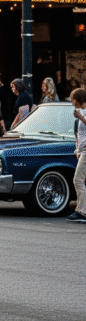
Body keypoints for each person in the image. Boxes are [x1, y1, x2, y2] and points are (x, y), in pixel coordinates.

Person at [68, 87, 86, 223]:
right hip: (83, 151)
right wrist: (77, 150)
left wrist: (81, 117)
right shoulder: (81, 112)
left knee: (77, 180)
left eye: (73, 99)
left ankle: (82, 211)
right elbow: (79, 134)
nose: (72, 102)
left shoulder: (83, 113)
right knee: (82, 180)